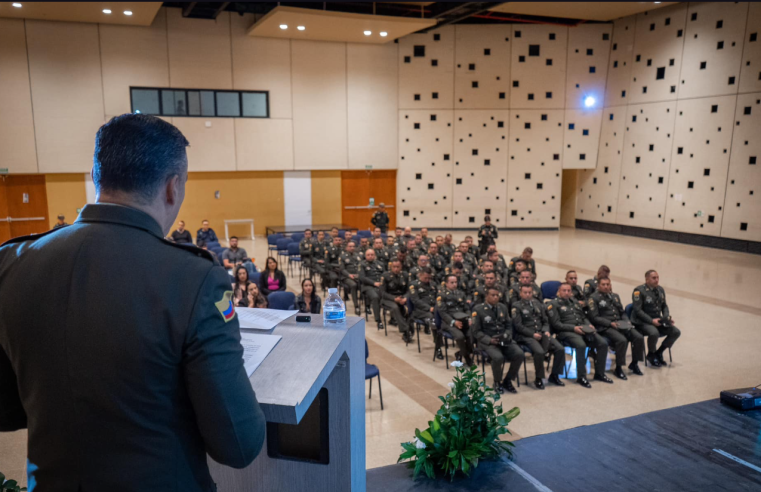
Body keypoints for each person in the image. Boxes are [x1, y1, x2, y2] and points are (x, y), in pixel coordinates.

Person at [0, 114, 265, 490]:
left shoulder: (12, 262)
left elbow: (6, 410)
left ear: (96, 177)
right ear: (173, 187)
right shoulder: (193, 279)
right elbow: (238, 445)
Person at [547, 283, 612, 388]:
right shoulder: (553, 305)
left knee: (602, 343)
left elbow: (583, 317)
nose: (567, 293)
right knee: (581, 345)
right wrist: (573, 328)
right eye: (564, 290)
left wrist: (588, 324)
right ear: (559, 292)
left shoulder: (575, 302)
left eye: (569, 290)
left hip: (582, 328)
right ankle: (581, 376)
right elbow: (556, 324)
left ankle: (599, 374)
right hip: (566, 332)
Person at [588, 277, 644, 378]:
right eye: (603, 284)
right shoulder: (593, 298)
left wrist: (627, 322)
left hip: (620, 324)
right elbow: (594, 317)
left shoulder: (615, 296)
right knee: (622, 340)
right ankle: (618, 368)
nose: (606, 287)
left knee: (638, 337)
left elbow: (622, 312)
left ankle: (634, 363)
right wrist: (610, 323)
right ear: (598, 286)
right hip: (605, 327)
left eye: (608, 284)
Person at [472, 287, 525, 394]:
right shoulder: (478, 310)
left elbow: (509, 325)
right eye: (493, 295)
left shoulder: (503, 307)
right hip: (487, 341)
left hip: (503, 339)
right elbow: (476, 331)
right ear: (486, 296)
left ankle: (508, 380)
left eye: (497, 295)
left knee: (519, 354)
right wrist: (489, 340)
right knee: (498, 357)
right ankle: (497, 381)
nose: (496, 297)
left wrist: (507, 335)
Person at [512, 285, 566, 388]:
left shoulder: (538, 304)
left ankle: (554, 375)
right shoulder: (516, 306)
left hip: (541, 334)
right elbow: (518, 326)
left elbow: (545, 321)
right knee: (539, 352)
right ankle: (539, 378)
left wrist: (546, 331)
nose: (528, 295)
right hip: (526, 336)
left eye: (529, 292)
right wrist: (532, 334)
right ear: (521, 293)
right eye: (525, 292)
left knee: (560, 349)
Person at [631, 270, 681, 367]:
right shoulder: (639, 291)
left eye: (657, 277)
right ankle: (651, 354)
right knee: (654, 333)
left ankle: (659, 352)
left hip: (658, 320)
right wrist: (651, 321)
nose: (657, 280)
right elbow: (638, 311)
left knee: (675, 332)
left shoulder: (660, 290)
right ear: (647, 279)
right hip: (643, 321)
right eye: (654, 278)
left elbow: (664, 306)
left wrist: (666, 318)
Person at [437, 274, 474, 366]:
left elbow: (466, 308)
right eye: (451, 282)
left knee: (472, 334)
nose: (454, 284)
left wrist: (469, 318)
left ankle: (460, 353)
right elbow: (443, 313)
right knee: (460, 336)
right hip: (449, 322)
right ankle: (466, 357)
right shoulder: (441, 296)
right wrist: (454, 322)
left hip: (463, 321)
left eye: (455, 282)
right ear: (446, 284)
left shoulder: (461, 294)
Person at [381, 259, 412, 342]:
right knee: (395, 307)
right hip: (389, 299)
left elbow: (409, 290)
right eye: (394, 267)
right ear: (391, 267)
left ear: (401, 267)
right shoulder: (386, 276)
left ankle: (410, 327)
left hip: (401, 298)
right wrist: (394, 299)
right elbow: (382, 293)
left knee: (411, 306)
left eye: (398, 267)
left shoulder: (405, 275)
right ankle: (406, 330)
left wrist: (405, 298)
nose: (396, 269)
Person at [359, 248, 386, 328]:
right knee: (375, 297)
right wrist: (374, 283)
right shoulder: (362, 265)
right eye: (368, 255)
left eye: (372, 255)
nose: (370, 256)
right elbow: (362, 278)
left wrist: (382, 282)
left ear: (375, 255)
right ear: (365, 256)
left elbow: (384, 275)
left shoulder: (380, 264)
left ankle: (393, 318)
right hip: (368, 286)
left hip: (380, 286)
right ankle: (378, 320)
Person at [409, 267, 438, 338]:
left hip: (433, 308)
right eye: (425, 278)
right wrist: (429, 308)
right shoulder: (414, 285)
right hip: (420, 310)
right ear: (420, 275)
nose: (427, 280)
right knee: (433, 318)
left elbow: (437, 297)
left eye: (429, 278)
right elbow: (416, 300)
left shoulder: (433, 284)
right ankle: (437, 342)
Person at [340, 241, 363, 315]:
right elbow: (342, 269)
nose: (352, 248)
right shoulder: (343, 256)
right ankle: (356, 306)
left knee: (365, 284)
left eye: (353, 246)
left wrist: (359, 275)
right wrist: (349, 275)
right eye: (350, 246)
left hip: (357, 276)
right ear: (347, 247)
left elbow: (361, 267)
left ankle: (368, 306)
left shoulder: (358, 256)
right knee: (353, 285)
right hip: (346, 277)